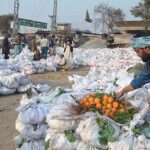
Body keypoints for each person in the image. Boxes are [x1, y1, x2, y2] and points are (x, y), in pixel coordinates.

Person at [117, 32, 150, 102]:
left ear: (147, 48)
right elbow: (139, 81)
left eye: (138, 51)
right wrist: (122, 91)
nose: (137, 55)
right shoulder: (148, 65)